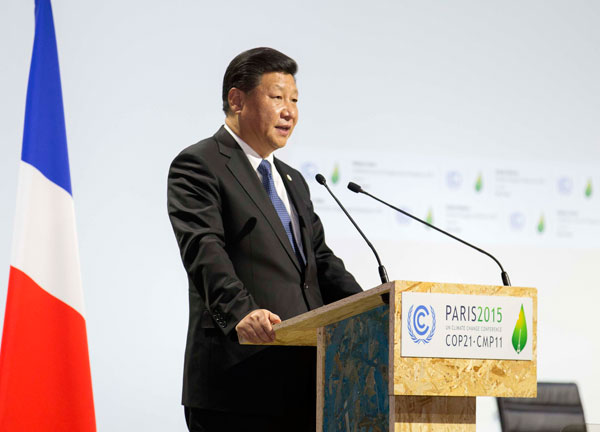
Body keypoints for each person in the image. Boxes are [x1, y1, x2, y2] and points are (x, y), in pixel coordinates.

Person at [167, 47, 362, 432]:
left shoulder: (293, 180)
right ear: (237, 99)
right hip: (239, 383)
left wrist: (376, 309)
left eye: (294, 100)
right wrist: (241, 311)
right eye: (277, 98)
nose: (289, 111)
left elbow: (320, 263)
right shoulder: (199, 165)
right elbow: (205, 250)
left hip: (306, 384)